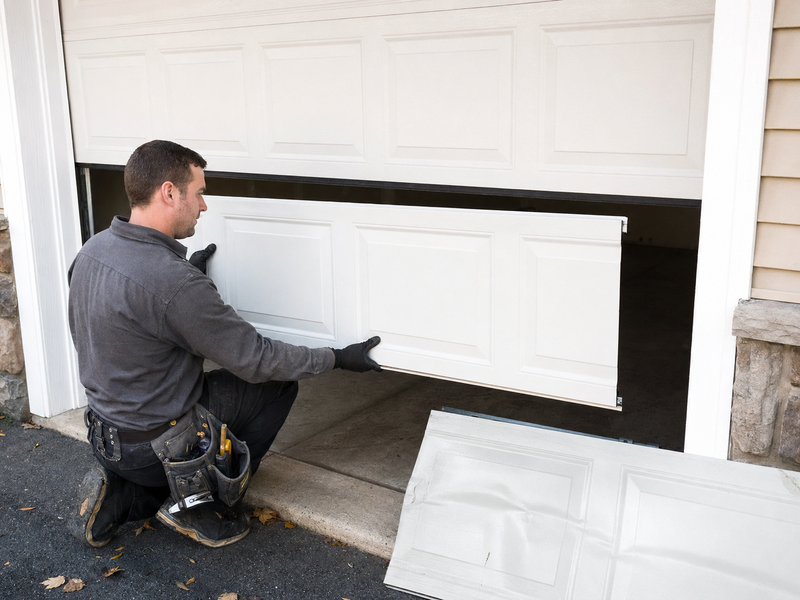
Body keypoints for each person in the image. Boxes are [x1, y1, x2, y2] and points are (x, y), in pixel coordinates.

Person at [67, 140, 381, 548]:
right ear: (169, 192)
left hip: (105, 435)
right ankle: (197, 503)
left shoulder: (92, 251)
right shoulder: (173, 285)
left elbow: (126, 321)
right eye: (198, 192)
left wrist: (181, 277)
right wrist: (337, 358)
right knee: (276, 387)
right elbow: (257, 360)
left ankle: (126, 493)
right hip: (157, 449)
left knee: (178, 411)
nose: (204, 205)